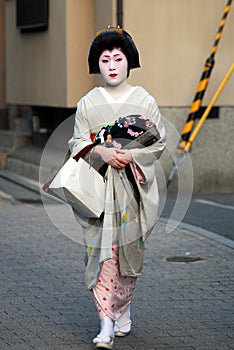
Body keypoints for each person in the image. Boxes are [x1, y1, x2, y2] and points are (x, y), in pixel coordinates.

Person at [68, 26, 166, 349]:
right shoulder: (87, 103)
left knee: (128, 256)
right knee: (100, 256)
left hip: (132, 193)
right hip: (98, 191)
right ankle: (105, 322)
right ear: (97, 65)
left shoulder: (145, 101)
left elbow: (157, 142)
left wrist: (131, 154)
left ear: (128, 63)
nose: (111, 65)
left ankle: (121, 308)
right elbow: (76, 143)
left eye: (118, 58)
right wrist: (100, 151)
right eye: (105, 59)